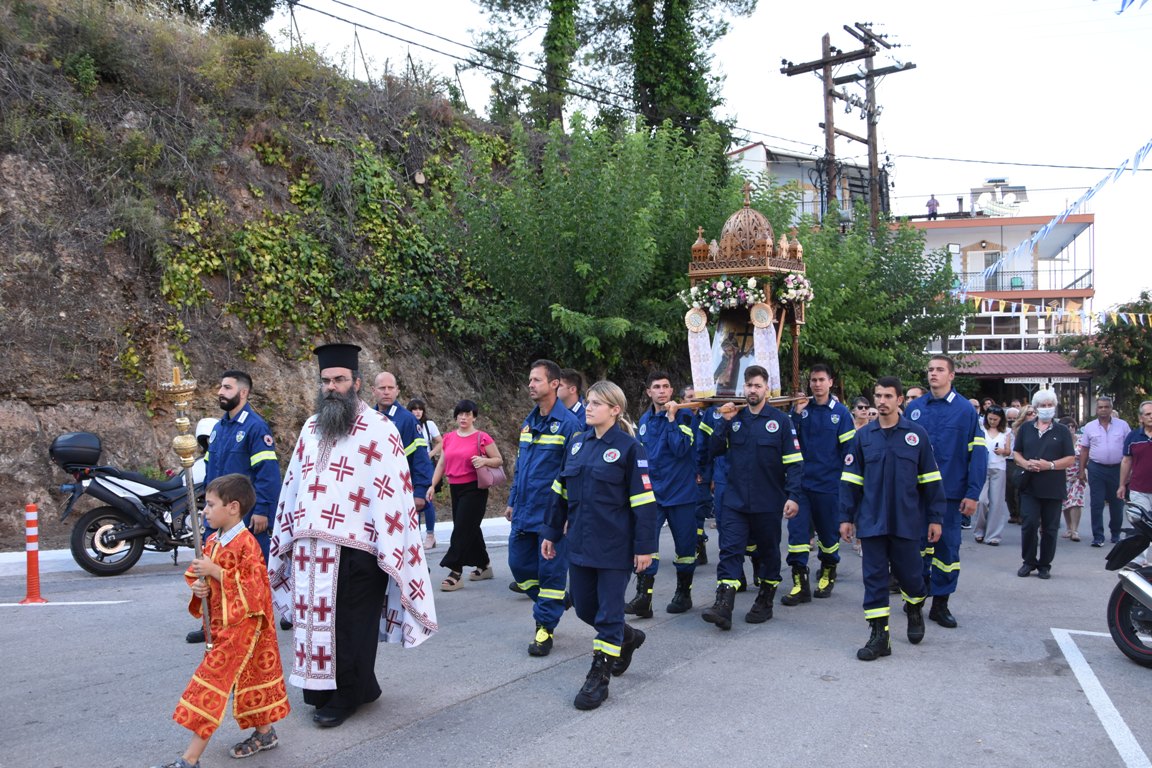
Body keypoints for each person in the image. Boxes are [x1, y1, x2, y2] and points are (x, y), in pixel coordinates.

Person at [267, 344, 437, 729]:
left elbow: (393, 490)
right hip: (312, 548)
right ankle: (330, 690)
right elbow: (293, 486)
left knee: (349, 625)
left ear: (356, 383)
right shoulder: (310, 429)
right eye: (326, 380)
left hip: (360, 549)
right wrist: (288, 538)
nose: (331, 387)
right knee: (314, 622)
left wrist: (390, 548)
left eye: (339, 380)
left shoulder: (380, 430)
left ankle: (345, 697)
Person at [156, 474, 289, 768]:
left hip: (244, 628)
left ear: (233, 508)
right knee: (251, 678)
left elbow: (256, 590)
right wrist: (199, 586)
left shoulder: (247, 544)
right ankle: (265, 734)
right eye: (204, 505)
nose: (204, 510)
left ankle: (190, 760)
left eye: (211, 504)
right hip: (220, 626)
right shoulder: (214, 540)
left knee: (210, 687)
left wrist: (217, 572)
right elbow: (200, 578)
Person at [541, 381, 658, 710]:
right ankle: (629, 637)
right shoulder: (577, 444)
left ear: (615, 410)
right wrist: (551, 532)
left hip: (615, 548)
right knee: (584, 608)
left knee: (607, 614)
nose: (588, 407)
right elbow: (560, 492)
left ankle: (598, 677)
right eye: (588, 402)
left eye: (596, 403)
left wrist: (644, 546)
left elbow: (645, 503)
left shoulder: (630, 448)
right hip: (579, 543)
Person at [840, 376, 944, 661]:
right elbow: (850, 479)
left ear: (900, 400)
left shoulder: (917, 435)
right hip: (872, 520)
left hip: (907, 520)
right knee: (874, 579)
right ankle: (879, 635)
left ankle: (914, 608)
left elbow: (931, 480)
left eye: (888, 396)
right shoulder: (863, 437)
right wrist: (846, 516)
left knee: (911, 576)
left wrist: (935, 517)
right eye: (878, 396)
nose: (882, 401)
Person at [702, 365, 804, 631]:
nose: (753, 390)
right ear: (743, 389)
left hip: (768, 500)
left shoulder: (781, 421)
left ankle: (765, 599)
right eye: (749, 386)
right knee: (730, 550)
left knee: (769, 553)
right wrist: (722, 423)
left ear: (766, 389)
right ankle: (723, 604)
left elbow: (794, 463)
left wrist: (793, 496)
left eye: (758, 385)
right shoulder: (735, 419)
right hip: (736, 500)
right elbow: (712, 451)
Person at [186, 369, 282, 645]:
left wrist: (263, 509)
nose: (220, 391)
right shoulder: (218, 429)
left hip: (246, 518)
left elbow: (267, 473)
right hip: (217, 518)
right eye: (220, 386)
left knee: (248, 576)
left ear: (243, 393)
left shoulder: (255, 428)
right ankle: (211, 626)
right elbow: (211, 471)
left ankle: (253, 624)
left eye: (227, 387)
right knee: (212, 571)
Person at [506, 359, 581, 656]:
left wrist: (568, 513)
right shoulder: (530, 421)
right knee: (519, 567)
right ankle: (553, 603)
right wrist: (512, 500)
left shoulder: (570, 425)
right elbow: (520, 466)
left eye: (536, 380)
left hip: (552, 514)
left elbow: (572, 474)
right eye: (529, 380)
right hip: (524, 510)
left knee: (550, 573)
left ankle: (544, 628)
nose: (530, 385)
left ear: (555, 384)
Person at [905, 354, 987, 628]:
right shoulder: (914, 408)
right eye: (930, 370)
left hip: (950, 495)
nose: (933, 374)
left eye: (940, 370)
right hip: (915, 494)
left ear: (951, 375)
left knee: (946, 552)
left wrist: (973, 493)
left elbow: (978, 454)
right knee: (914, 549)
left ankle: (940, 604)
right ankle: (914, 598)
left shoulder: (965, 411)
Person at [626, 371, 700, 618]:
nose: (662, 391)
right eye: (656, 387)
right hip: (653, 496)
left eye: (666, 386)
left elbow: (681, 449)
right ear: (649, 392)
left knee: (686, 548)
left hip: (682, 494)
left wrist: (671, 419)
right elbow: (640, 459)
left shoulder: (686, 416)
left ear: (671, 391)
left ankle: (683, 593)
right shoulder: (644, 420)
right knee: (647, 545)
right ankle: (643, 598)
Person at [784, 364, 855, 604]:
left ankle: (827, 571)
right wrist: (795, 414)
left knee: (827, 536)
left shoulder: (842, 413)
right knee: (797, 534)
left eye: (821, 380)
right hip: (802, 486)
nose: (816, 384)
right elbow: (789, 441)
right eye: (813, 380)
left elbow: (849, 453)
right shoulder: (802, 409)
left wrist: (847, 489)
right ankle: (799, 584)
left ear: (830, 382)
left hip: (829, 486)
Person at [430, 399, 502, 591]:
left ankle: (455, 570)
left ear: (474, 417)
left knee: (462, 529)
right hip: (455, 488)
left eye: (468, 414)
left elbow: (498, 460)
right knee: (470, 527)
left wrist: (483, 461)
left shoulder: (482, 437)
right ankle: (484, 565)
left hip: (475, 488)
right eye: (460, 414)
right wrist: (432, 485)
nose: (463, 417)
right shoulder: (449, 438)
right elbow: (442, 464)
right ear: (456, 416)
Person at [1012, 390, 1076, 579]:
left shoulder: (1062, 431)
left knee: (1050, 528)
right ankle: (1028, 561)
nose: (1046, 408)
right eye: (1043, 405)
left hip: (1053, 485)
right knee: (1029, 524)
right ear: (1036, 407)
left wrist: (1050, 465)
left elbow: (1070, 458)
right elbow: (1017, 453)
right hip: (1029, 485)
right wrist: (1025, 463)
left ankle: (1045, 564)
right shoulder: (1026, 429)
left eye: (1050, 405)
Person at [372, 371, 434, 523]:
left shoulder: (407, 419)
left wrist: (420, 491)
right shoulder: (368, 418)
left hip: (400, 491)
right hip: (374, 492)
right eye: (382, 388)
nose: (386, 392)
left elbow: (420, 457)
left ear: (397, 390)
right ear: (373, 390)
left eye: (390, 388)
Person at [1079, 396, 1131, 547]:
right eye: (1100, 407)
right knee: (1096, 503)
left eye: (1106, 407)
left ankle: (1115, 533)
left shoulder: (1123, 426)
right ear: (1096, 409)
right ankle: (1098, 536)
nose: (1103, 410)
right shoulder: (1089, 427)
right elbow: (1084, 450)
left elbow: (1130, 449)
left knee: (1117, 502)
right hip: (1096, 468)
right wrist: (1081, 471)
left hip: (1117, 469)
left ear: (1111, 408)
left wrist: (1130, 471)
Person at [408, 398, 443, 550]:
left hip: (426, 466)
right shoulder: (407, 425)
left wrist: (430, 454)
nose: (417, 412)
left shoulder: (429, 425)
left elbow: (441, 442)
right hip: (409, 466)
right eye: (414, 409)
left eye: (420, 409)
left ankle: (430, 535)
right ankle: (415, 535)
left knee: (426, 500)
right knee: (412, 502)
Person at [973, 406, 1011, 546]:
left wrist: (1002, 451)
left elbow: (1009, 451)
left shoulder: (1006, 432)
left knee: (996, 502)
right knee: (981, 501)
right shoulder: (981, 430)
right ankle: (979, 531)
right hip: (982, 467)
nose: (993, 421)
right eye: (990, 419)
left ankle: (993, 535)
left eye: (995, 419)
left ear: (1001, 419)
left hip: (999, 467)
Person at [1119, 400, 1152, 522]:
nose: (1151, 417)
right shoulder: (1133, 437)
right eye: (1148, 414)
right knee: (1139, 522)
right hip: (1139, 489)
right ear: (1141, 418)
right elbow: (1126, 461)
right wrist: (1122, 485)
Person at [1061, 417, 1086, 541]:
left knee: (1076, 502)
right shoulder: (1060, 440)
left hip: (1077, 475)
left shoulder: (1081, 440)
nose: (1070, 428)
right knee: (1065, 503)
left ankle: (1075, 530)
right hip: (1062, 475)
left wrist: (1082, 472)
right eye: (1067, 426)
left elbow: (1085, 456)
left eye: (1073, 426)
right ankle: (1069, 528)